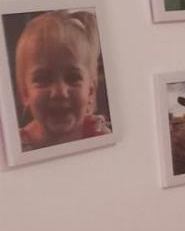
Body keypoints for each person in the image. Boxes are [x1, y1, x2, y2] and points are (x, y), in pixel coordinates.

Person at [9, 10, 111, 151]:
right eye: (43, 79)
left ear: (90, 91)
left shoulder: (100, 136)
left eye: (73, 77)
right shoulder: (14, 148)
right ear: (25, 93)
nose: (59, 92)